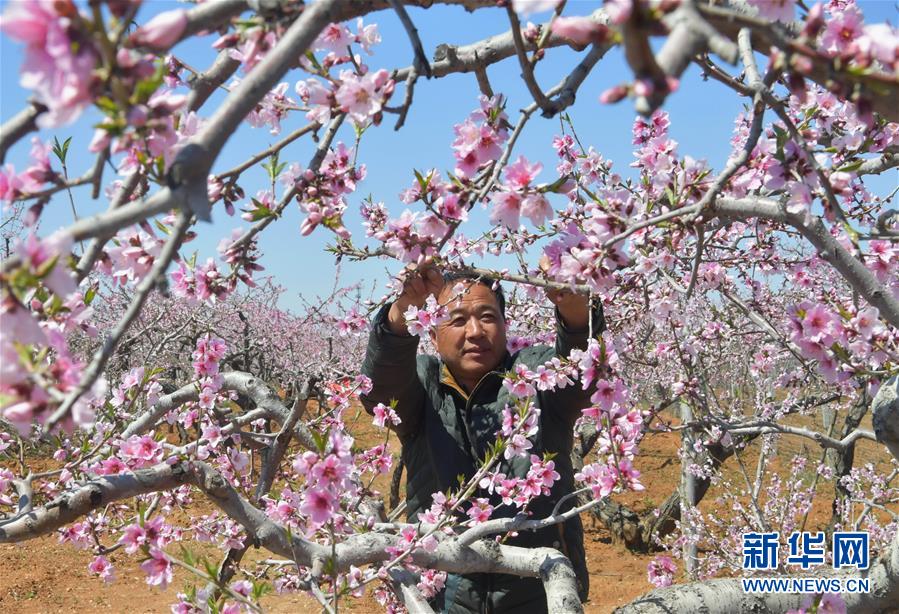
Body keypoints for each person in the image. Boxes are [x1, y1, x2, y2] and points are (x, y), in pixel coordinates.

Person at [360, 262, 604, 613]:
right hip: (443, 591)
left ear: (505, 325)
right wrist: (400, 315)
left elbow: (583, 377)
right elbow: (379, 391)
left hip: (538, 591)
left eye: (487, 317)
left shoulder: (535, 376)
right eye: (457, 320)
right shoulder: (422, 385)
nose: (475, 331)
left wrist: (577, 313)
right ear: (431, 333)